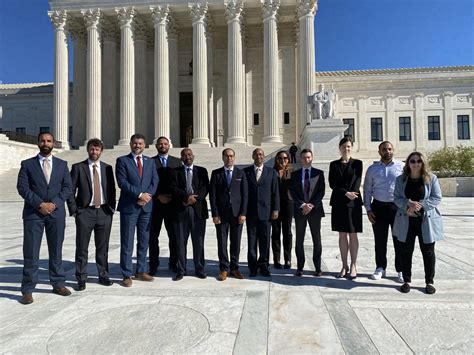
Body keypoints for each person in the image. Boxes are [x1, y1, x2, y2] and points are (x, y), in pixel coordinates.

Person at [16, 132, 72, 304]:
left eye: (49, 141)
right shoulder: (27, 164)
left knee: (56, 250)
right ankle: (27, 289)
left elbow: (67, 187)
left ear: (53, 143)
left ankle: (58, 283)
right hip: (34, 214)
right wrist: (40, 204)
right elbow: (22, 188)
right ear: (38, 142)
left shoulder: (62, 164)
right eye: (42, 140)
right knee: (31, 252)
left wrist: (54, 203)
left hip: (56, 214)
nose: (45, 143)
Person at [67, 138, 116, 291]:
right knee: (82, 247)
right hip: (85, 212)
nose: (94, 152)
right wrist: (75, 210)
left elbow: (112, 190)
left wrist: (111, 209)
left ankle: (103, 275)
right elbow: (70, 191)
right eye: (92, 149)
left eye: (97, 149)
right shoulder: (78, 167)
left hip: (103, 212)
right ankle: (81, 277)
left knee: (103, 247)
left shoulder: (107, 168)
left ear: (101, 151)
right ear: (87, 150)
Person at [393, 152, 443, 294]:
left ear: (423, 163)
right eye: (412, 161)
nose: (415, 164)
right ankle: (407, 280)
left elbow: (436, 197)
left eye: (418, 161)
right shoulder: (400, 180)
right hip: (406, 220)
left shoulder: (431, 179)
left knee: (428, 252)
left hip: (425, 221)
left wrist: (420, 205)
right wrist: (408, 204)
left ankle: (429, 282)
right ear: (408, 163)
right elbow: (396, 198)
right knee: (406, 251)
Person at [116, 134, 158, 287]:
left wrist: (147, 196)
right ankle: (126, 274)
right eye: (135, 143)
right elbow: (122, 182)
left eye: (140, 143)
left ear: (144, 145)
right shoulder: (122, 161)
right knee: (127, 241)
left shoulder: (150, 161)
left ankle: (140, 270)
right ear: (131, 144)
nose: (137, 146)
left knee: (144, 241)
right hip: (130, 207)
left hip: (146, 208)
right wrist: (139, 195)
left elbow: (155, 181)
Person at [363, 141, 404, 282]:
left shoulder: (402, 167)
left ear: (393, 150)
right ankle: (380, 267)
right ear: (379, 151)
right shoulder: (372, 169)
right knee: (380, 240)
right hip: (378, 207)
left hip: (397, 208)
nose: (387, 151)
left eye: (390, 149)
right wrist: (368, 209)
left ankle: (401, 269)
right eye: (384, 149)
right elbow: (367, 190)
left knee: (399, 240)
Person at [169, 148, 209, 281]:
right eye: (185, 155)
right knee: (180, 241)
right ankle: (181, 269)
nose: (187, 157)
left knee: (198, 241)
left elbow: (205, 188)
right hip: (181, 209)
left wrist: (195, 199)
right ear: (181, 158)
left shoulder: (202, 171)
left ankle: (199, 269)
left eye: (190, 154)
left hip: (197, 210)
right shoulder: (175, 172)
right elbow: (173, 188)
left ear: (194, 156)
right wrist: (186, 198)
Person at [209, 148, 248, 281]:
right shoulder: (216, 173)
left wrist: (243, 213)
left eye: (231, 156)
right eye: (226, 156)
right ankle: (224, 269)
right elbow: (213, 195)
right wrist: (215, 213)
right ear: (223, 157)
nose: (229, 158)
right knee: (222, 242)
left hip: (237, 214)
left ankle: (235, 268)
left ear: (234, 157)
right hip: (221, 214)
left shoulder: (240, 173)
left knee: (235, 242)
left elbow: (245, 195)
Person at [329, 137, 362, 279]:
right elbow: (332, 183)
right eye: (343, 147)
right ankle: (344, 265)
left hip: (353, 202)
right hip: (339, 202)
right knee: (342, 234)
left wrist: (351, 193)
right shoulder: (333, 164)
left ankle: (354, 265)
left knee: (353, 234)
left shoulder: (357, 164)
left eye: (348, 146)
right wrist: (345, 193)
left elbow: (357, 180)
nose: (346, 149)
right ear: (339, 148)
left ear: (351, 147)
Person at [244, 148, 280, 277]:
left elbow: (275, 192)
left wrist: (276, 209)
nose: (259, 156)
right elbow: (244, 194)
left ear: (264, 157)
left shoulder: (271, 172)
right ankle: (252, 267)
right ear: (253, 156)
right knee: (252, 241)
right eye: (257, 154)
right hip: (251, 213)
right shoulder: (246, 172)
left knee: (265, 241)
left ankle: (264, 265)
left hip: (266, 212)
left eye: (261, 154)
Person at [289, 149, 325, 277]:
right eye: (304, 157)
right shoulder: (295, 174)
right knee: (299, 239)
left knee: (317, 239)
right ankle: (300, 267)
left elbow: (321, 192)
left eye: (309, 157)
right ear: (300, 158)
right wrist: (302, 205)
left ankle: (318, 267)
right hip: (300, 211)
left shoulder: (319, 173)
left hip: (315, 211)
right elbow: (292, 192)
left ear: (312, 158)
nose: (306, 160)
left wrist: (311, 205)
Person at [149, 136, 181, 275]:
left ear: (169, 145)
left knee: (173, 236)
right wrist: (158, 196)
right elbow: (147, 182)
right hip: (155, 205)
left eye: (165, 143)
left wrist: (172, 197)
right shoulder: (150, 162)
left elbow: (181, 183)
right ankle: (153, 264)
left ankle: (173, 263)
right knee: (152, 236)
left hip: (172, 205)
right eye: (160, 144)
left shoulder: (177, 162)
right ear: (156, 146)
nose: (163, 146)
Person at [271, 150, 294, 270]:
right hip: (275, 206)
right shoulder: (271, 172)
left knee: (287, 232)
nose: (283, 160)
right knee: (275, 233)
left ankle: (288, 259)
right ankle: (276, 259)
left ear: (288, 160)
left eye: (285, 158)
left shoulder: (291, 172)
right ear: (276, 160)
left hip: (288, 205)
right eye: (280, 158)